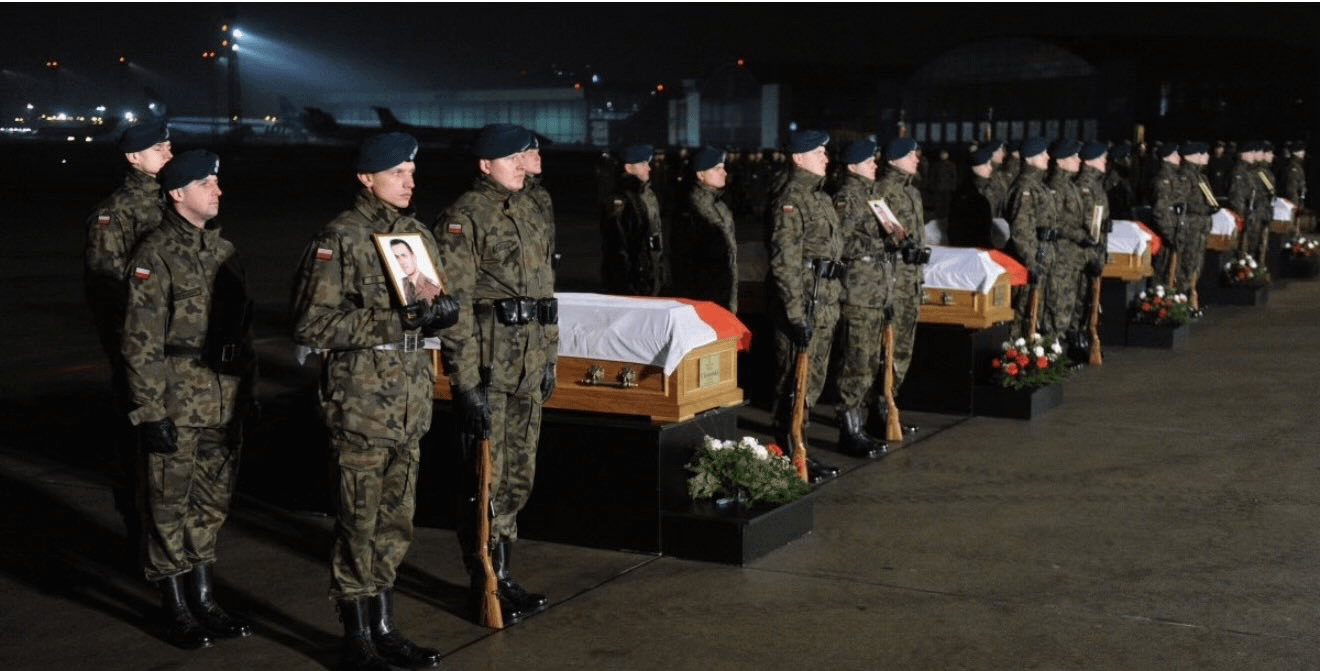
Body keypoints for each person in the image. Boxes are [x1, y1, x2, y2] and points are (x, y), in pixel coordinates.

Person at [291, 132, 456, 671]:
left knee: (395, 525)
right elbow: (313, 323)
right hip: (362, 401)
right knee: (357, 525)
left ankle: (384, 627)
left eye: (412, 172)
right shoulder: (340, 237)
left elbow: (428, 306)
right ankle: (356, 635)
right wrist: (398, 320)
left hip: (409, 400)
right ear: (366, 178)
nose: (410, 182)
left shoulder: (415, 234)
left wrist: (442, 311)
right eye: (397, 173)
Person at [122, 149, 254, 650]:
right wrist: (150, 411)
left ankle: (203, 597)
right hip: (176, 400)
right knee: (167, 505)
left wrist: (247, 394)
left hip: (222, 399)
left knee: (211, 504)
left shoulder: (223, 250)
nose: (217, 190)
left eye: (216, 182)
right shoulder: (155, 254)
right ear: (178, 193)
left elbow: (240, 331)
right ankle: (174, 605)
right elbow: (140, 342)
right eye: (206, 183)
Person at [434, 123, 557, 626]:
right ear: (485, 165)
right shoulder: (464, 216)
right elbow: (456, 307)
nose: (521, 165)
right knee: (486, 478)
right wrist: (465, 382)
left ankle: (503, 574)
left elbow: (545, 291)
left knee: (519, 477)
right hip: (489, 365)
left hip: (528, 362)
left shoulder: (529, 208)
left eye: (522, 157)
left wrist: (549, 356)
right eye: (511, 159)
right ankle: (483, 578)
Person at [84, 119, 172, 566]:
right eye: (159, 149)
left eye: (170, 146)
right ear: (133, 157)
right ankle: (140, 543)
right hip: (141, 353)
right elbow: (108, 291)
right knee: (140, 451)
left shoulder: (176, 202)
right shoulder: (116, 212)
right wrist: (130, 353)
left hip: (180, 353)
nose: (169, 154)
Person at [766, 129, 843, 482]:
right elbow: (785, 263)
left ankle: (801, 451)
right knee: (792, 385)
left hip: (823, 303)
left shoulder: (819, 196)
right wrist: (796, 317)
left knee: (810, 384)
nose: (826, 158)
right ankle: (788, 456)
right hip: (801, 307)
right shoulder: (791, 197)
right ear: (799, 158)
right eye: (818, 152)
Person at [829, 138, 891, 459]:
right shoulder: (847, 197)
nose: (874, 165)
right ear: (853, 167)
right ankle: (849, 430)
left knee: (869, 361)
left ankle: (863, 425)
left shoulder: (873, 196)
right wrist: (878, 245)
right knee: (855, 361)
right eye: (868, 161)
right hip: (857, 291)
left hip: (876, 290)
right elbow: (840, 243)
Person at [870, 138, 926, 436]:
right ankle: (878, 409)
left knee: (903, 350)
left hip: (910, 281)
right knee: (886, 350)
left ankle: (890, 404)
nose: (916, 159)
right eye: (910, 155)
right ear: (893, 160)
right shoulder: (882, 191)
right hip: (892, 281)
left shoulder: (912, 192)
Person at [1005, 137, 1062, 338]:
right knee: (1024, 313)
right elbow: (1021, 231)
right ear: (1030, 159)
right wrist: (1032, 262)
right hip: (1030, 261)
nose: (1047, 157)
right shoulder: (1025, 187)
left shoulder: (1038, 185)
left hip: (1042, 256)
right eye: (1042, 154)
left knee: (1037, 312)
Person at [671, 145, 739, 311]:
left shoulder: (718, 205)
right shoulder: (691, 210)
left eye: (723, 168)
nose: (724, 173)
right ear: (701, 175)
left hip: (722, 298)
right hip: (703, 302)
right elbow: (684, 265)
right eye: (717, 168)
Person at [601, 143, 667, 295]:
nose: (648, 168)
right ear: (629, 168)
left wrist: (658, 273)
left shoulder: (647, 195)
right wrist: (629, 283)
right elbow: (617, 247)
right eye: (643, 164)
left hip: (650, 277)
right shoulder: (620, 200)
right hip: (633, 282)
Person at [1046, 139, 1089, 348]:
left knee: (1069, 306)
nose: (1078, 160)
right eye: (1073, 157)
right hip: (1060, 256)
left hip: (1072, 256)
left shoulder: (1070, 185)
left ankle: (1063, 349)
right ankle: (1053, 350)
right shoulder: (1055, 186)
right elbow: (1053, 221)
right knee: (1058, 306)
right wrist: (1078, 234)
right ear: (1061, 161)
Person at [1073, 141, 1111, 335]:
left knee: (1089, 298)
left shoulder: (1096, 184)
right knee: (1080, 297)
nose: (1105, 160)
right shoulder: (1085, 186)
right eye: (1101, 157)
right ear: (1091, 161)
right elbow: (1090, 222)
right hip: (1086, 251)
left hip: (1095, 247)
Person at [1178, 142, 1219, 301]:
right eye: (1203, 154)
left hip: (1200, 226)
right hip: (1191, 227)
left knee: (1197, 264)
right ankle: (1183, 297)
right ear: (1194, 156)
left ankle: (1191, 294)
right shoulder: (1185, 176)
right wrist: (1203, 209)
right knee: (1187, 264)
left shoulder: (1200, 177)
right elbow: (1183, 202)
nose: (1207, 156)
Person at [947, 145, 997, 248]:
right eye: (986, 165)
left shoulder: (990, 186)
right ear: (975, 168)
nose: (990, 168)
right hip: (972, 248)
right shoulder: (967, 192)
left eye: (990, 164)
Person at [390, 238, 442, 304]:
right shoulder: (403, 284)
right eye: (397, 257)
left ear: (413, 257)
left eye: (404, 255)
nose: (401, 262)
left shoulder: (431, 287)